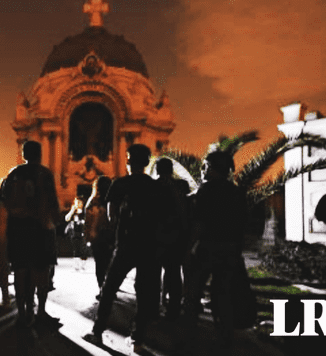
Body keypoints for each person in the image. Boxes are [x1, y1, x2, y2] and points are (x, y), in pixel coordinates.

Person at [83, 144, 172, 352]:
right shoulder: (155, 186)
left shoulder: (119, 184)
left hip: (126, 244)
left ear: (129, 161)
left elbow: (111, 216)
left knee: (109, 288)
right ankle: (137, 339)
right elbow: (162, 216)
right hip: (149, 245)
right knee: (144, 293)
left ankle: (97, 332)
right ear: (147, 162)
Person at [184, 151, 249, 351]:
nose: (202, 170)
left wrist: (188, 248)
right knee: (223, 294)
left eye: (205, 166)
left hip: (207, 247)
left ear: (213, 168)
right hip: (230, 249)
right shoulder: (236, 191)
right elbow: (243, 224)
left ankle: (189, 337)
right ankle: (225, 338)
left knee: (193, 293)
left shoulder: (205, 191)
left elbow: (199, 223)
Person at [0, 140, 61, 327]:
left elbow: (4, 201)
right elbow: (52, 201)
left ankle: (23, 313)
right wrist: (56, 221)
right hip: (41, 228)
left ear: (24, 154)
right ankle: (40, 311)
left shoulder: (14, 174)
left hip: (18, 228)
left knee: (20, 271)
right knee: (41, 272)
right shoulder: (44, 174)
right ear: (40, 154)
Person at [155, 158, 190, 320]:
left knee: (153, 273)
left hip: (156, 235)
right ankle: (174, 307)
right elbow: (185, 209)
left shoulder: (152, 186)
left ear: (157, 170)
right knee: (173, 272)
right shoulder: (181, 185)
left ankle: (154, 307)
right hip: (176, 235)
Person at [83, 175, 114, 294]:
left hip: (96, 237)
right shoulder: (113, 201)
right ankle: (110, 289)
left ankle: (102, 288)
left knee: (100, 265)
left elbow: (88, 221)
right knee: (109, 265)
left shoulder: (92, 202)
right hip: (110, 236)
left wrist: (87, 237)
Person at [65, 196, 88, 270]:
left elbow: (87, 220)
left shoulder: (85, 211)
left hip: (83, 232)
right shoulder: (73, 211)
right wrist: (72, 210)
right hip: (74, 233)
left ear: (82, 203)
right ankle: (77, 265)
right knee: (76, 249)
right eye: (76, 202)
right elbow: (66, 218)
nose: (77, 204)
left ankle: (83, 265)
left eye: (79, 202)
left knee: (83, 249)